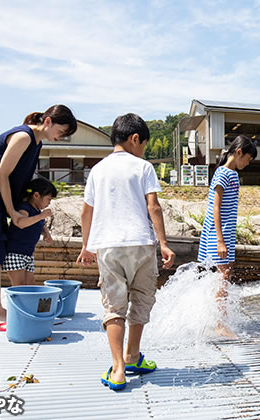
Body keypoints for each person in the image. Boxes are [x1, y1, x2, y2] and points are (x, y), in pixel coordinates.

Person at [76, 113, 175, 391]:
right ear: (134, 139)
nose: (143, 149)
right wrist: (164, 243)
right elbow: (153, 207)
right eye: (143, 143)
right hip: (141, 243)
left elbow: (86, 211)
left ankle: (119, 368)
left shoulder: (98, 170)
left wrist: (86, 246)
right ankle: (133, 355)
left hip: (108, 246)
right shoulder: (143, 167)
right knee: (141, 300)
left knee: (114, 305)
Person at [0, 105, 76, 331]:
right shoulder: (23, 136)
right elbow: (2, 173)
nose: (61, 137)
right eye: (62, 132)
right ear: (48, 121)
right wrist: (12, 211)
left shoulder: (37, 142)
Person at [198, 134, 257, 339]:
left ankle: (214, 318)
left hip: (226, 232)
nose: (247, 164)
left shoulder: (232, 174)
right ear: (239, 152)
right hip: (218, 233)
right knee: (223, 276)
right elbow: (215, 208)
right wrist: (220, 240)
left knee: (224, 274)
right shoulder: (223, 173)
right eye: (248, 159)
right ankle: (219, 324)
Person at [3, 178, 57, 287]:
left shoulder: (37, 212)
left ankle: (27, 304)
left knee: (30, 285)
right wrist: (41, 216)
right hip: (15, 252)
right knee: (19, 286)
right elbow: (21, 223)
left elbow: (40, 224)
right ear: (36, 195)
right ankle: (17, 304)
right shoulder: (24, 208)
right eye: (48, 199)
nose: (49, 203)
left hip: (27, 253)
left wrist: (46, 233)